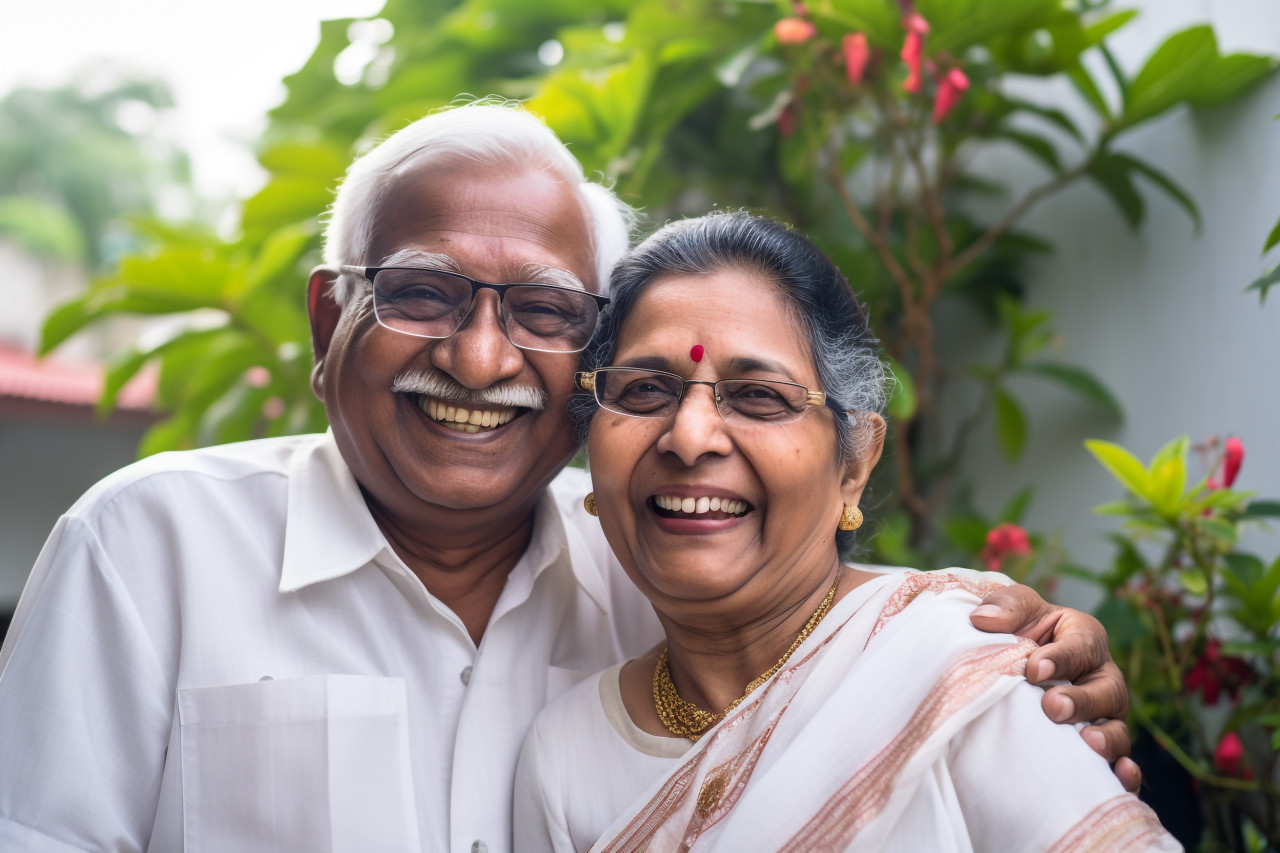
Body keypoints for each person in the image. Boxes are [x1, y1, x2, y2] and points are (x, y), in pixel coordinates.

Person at [0, 102, 1132, 853]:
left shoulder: (658, 567)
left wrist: (1016, 657)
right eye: (421, 292)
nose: (480, 359)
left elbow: (836, 647)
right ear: (326, 315)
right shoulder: (148, 552)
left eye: (541, 312)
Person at [513, 211, 1177, 852]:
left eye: (757, 397)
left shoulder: (958, 668)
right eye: (645, 389)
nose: (688, 438)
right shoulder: (566, 756)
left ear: (853, 463)